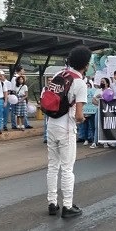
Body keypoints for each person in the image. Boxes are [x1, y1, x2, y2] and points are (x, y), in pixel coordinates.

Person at [46, 45, 89, 218]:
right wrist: (82, 118)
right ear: (85, 65)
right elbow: (78, 115)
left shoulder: (58, 75)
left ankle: (52, 203)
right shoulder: (79, 83)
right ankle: (67, 206)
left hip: (51, 124)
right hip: (66, 127)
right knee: (67, 168)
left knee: (52, 166)